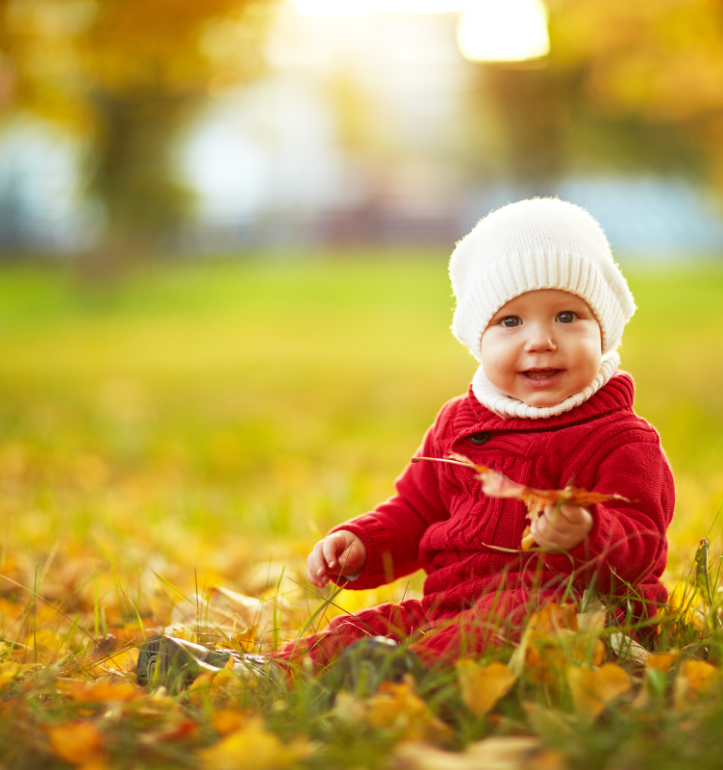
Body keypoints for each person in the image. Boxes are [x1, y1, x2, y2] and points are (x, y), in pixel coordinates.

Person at [138, 198, 674, 688]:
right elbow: (416, 509)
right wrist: (365, 544)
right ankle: (265, 675)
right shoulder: (459, 425)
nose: (540, 339)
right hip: (453, 604)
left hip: (579, 616)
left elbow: (644, 542)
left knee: (515, 615)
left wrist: (586, 531)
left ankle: (404, 678)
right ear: (478, 340)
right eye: (510, 320)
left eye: (567, 316)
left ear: (603, 330)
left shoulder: (621, 439)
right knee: (373, 626)